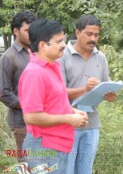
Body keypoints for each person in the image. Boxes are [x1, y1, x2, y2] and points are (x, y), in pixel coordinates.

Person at [18, 19, 89, 173]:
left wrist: (72, 111)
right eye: (59, 41)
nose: (64, 45)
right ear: (43, 46)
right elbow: (31, 117)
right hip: (44, 147)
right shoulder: (35, 73)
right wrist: (68, 119)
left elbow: (53, 103)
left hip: (56, 146)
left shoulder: (52, 67)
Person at [58, 14, 117, 174]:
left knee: (85, 171)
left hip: (91, 125)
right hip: (66, 124)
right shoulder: (61, 56)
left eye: (96, 35)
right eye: (89, 34)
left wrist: (109, 94)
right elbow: (57, 93)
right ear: (77, 33)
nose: (93, 39)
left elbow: (105, 84)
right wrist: (85, 89)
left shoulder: (101, 57)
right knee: (65, 170)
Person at [0, 11, 36, 162]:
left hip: (42, 120)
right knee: (26, 166)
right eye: (27, 30)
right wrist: (29, 105)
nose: (32, 33)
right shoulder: (8, 57)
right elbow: (3, 92)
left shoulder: (37, 53)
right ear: (16, 31)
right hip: (21, 123)